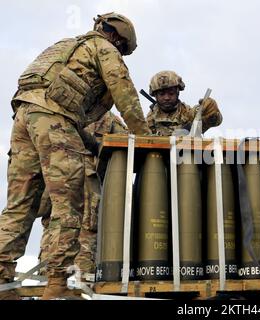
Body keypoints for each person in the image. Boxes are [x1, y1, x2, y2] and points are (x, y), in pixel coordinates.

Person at [0, 12, 150, 300]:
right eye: (122, 49)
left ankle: (2, 278)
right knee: (68, 203)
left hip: (23, 117)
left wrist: (90, 142)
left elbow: (70, 116)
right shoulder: (103, 48)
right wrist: (145, 137)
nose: (119, 53)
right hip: (53, 118)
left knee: (20, 204)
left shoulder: (65, 46)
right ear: (117, 38)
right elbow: (124, 93)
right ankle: (57, 283)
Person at [38, 111, 127, 280]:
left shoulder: (109, 120)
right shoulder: (58, 113)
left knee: (85, 277)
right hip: (60, 194)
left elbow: (127, 143)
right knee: (48, 272)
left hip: (90, 205)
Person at [146, 70, 222, 136]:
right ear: (155, 95)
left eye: (171, 93)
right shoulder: (149, 120)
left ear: (177, 92)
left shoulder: (187, 113)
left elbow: (213, 120)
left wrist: (211, 110)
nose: (167, 98)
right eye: (162, 94)